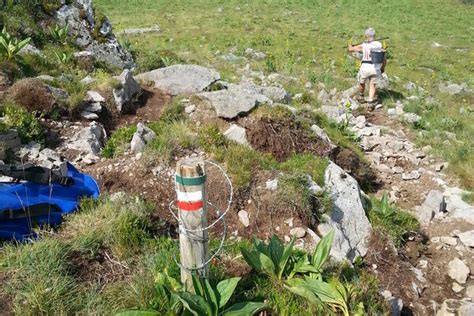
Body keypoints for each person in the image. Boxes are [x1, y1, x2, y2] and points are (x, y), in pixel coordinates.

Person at [348, 27, 386, 110]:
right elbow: (383, 58)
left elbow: (351, 49)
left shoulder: (364, 44)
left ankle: (360, 96)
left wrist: (350, 45)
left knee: (362, 83)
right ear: (374, 35)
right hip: (375, 68)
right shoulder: (379, 44)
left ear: (366, 36)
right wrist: (382, 68)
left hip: (365, 67)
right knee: (373, 85)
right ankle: (370, 102)